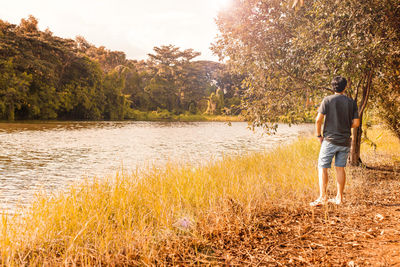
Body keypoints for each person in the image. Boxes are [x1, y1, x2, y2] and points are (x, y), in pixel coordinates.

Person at [310, 76, 360, 206]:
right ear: (345, 87)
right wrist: (344, 125)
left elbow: (318, 120)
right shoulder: (351, 102)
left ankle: (323, 197)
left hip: (330, 140)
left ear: (333, 87)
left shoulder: (327, 100)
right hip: (344, 141)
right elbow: (356, 123)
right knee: (340, 168)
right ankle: (340, 198)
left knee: (322, 167)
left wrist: (318, 135)